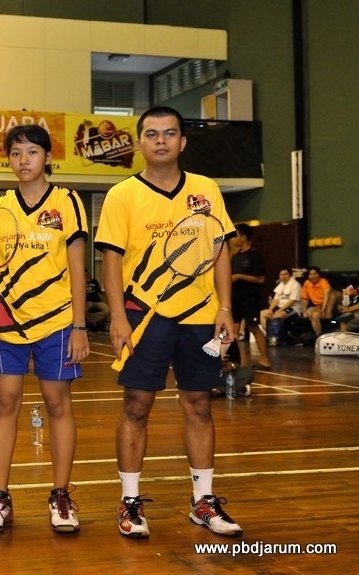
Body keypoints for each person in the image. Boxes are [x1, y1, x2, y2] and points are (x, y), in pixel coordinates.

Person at [94, 106, 242, 539]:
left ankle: (203, 501)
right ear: (140, 142)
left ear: (183, 141)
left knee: (199, 405)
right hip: (144, 316)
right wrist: (117, 316)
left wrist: (225, 308)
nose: (161, 140)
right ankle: (130, 501)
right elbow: (111, 261)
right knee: (136, 406)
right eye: (152, 133)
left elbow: (220, 251)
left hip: (201, 316)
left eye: (170, 133)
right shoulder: (122, 195)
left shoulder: (206, 189)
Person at [0, 124, 89, 535]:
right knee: (5, 403)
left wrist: (80, 325)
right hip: (6, 324)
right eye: (16, 153)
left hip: (57, 322)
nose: (24, 160)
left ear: (48, 157)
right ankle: (0, 497)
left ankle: (60, 495)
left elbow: (77, 267)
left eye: (32, 152)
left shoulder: (68, 202)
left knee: (58, 404)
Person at [229, 223, 270, 369]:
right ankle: (234, 361)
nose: (233, 239)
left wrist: (240, 276)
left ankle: (265, 360)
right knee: (233, 328)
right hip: (236, 297)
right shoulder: (235, 256)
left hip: (250, 297)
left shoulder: (254, 256)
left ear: (244, 238)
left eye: (235, 236)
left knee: (253, 327)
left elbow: (260, 279)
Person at [300, 266, 334, 336]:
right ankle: (319, 335)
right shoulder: (307, 283)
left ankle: (328, 314)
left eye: (315, 274)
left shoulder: (323, 281)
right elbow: (305, 298)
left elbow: (327, 292)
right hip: (317, 305)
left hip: (328, 303)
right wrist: (304, 311)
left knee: (332, 294)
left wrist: (324, 307)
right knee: (312, 315)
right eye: (311, 274)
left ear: (319, 274)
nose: (313, 276)